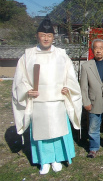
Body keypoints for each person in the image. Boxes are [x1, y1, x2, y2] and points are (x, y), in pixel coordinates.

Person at [11, 17, 82, 175]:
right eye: (42, 35)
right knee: (41, 133)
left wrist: (67, 88)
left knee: (58, 131)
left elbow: (70, 75)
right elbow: (19, 79)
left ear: (53, 38)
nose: (45, 38)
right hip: (38, 101)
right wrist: (27, 91)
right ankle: (44, 160)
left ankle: (57, 158)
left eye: (49, 36)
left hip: (57, 100)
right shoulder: (27, 56)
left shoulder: (61, 55)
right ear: (37, 35)